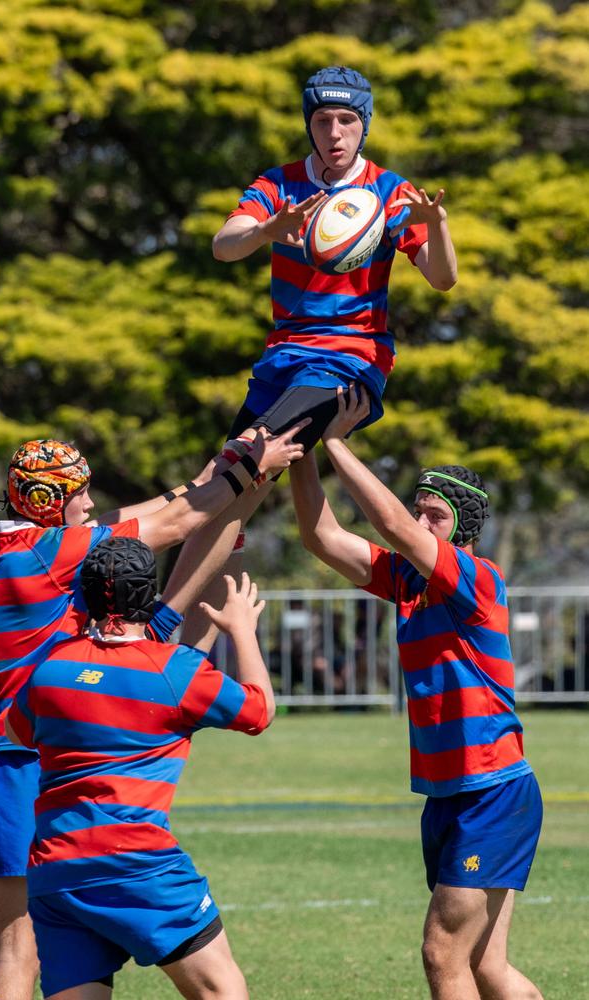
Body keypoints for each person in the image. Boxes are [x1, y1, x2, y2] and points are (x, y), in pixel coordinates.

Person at [0, 429, 304, 1000]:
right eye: (80, 495)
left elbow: (162, 511)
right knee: (19, 950)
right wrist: (251, 471)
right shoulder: (54, 552)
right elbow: (176, 523)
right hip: (13, 761)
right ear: (47, 504)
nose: (90, 505)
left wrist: (225, 468)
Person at [163, 63, 457, 649]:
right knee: (226, 500)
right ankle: (173, 659)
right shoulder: (279, 184)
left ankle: (155, 623)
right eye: (323, 120)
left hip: (348, 361)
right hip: (283, 361)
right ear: (310, 124)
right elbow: (224, 247)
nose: (336, 131)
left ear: (364, 125)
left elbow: (443, 280)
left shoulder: (391, 192)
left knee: (240, 467)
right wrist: (267, 230)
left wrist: (437, 228)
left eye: (348, 119)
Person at [290, 387, 543, 1000]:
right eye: (421, 509)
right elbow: (321, 536)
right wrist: (296, 452)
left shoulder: (476, 579)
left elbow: (392, 525)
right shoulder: (407, 580)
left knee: (441, 954)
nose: (423, 520)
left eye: (436, 514)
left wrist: (336, 442)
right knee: (485, 968)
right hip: (449, 794)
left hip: (492, 792)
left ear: (464, 525)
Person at [5, 536, 275, 1000]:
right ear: (149, 597)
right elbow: (258, 711)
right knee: (221, 991)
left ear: (83, 595)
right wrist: (243, 630)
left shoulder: (51, 666)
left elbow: (17, 734)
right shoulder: (175, 671)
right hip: (136, 865)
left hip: (56, 870)